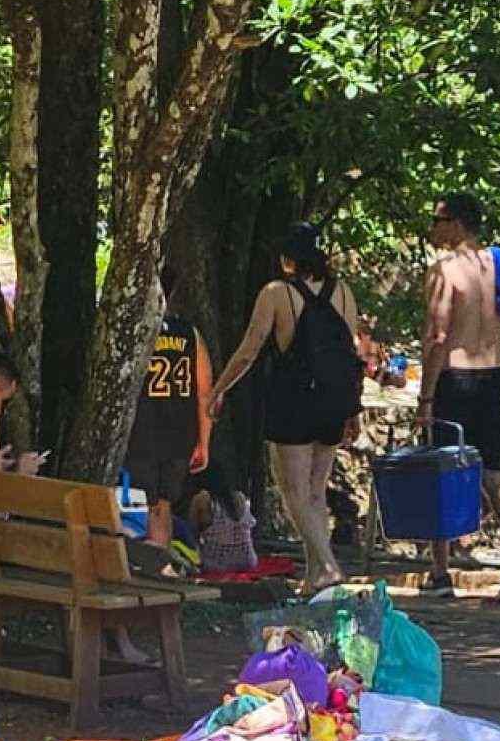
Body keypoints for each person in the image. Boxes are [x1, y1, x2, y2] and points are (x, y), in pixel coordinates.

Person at [208, 224, 363, 594]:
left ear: (286, 259)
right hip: (334, 402)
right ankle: (313, 577)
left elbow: (250, 349)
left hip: (293, 401)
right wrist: (353, 409)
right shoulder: (342, 292)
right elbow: (350, 356)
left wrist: (218, 389)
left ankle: (327, 566)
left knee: (294, 492)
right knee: (315, 492)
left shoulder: (277, 293)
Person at [420, 192, 500, 600]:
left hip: (454, 378)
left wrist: (425, 398)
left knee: (441, 470)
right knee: (495, 475)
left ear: (457, 223)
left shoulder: (445, 269)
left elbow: (438, 336)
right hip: (494, 375)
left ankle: (440, 574)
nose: (433, 228)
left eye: (438, 219)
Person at [124, 265, 212, 554]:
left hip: (142, 430)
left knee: (139, 502)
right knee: (163, 504)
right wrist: (204, 441)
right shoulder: (189, 334)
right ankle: (161, 564)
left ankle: (146, 563)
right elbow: (204, 393)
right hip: (179, 433)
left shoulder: (131, 331)